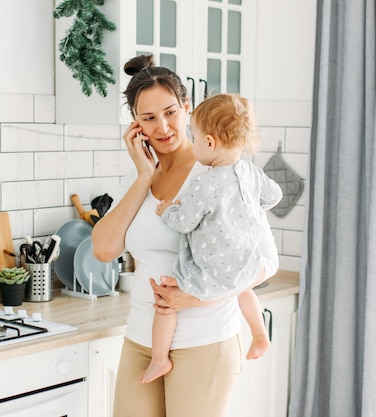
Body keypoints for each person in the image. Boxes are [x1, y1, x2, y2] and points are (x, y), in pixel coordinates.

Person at [92, 54, 280, 417]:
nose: (162, 126)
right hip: (141, 341)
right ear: (136, 126)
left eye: (170, 112)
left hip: (205, 341)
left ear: (187, 108)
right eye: (148, 118)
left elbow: (267, 261)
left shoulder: (223, 171)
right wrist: (144, 176)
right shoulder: (138, 178)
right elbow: (104, 249)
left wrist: (201, 298)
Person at [141, 93, 283, 384]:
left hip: (209, 271)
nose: (192, 144)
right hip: (244, 263)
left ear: (209, 143)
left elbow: (184, 223)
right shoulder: (252, 174)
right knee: (244, 290)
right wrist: (251, 208)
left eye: (194, 137)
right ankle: (259, 335)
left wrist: (166, 210)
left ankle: (158, 359)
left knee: (166, 300)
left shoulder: (204, 182)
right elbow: (276, 196)